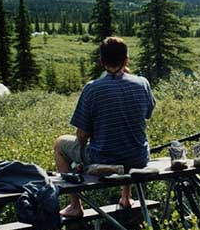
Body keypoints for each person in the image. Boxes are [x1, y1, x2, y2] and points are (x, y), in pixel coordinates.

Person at [54, 37, 156, 218]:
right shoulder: (143, 83)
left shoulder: (92, 89)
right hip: (138, 158)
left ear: (102, 62)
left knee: (60, 143)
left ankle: (74, 205)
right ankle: (126, 198)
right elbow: (147, 114)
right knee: (127, 139)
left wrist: (81, 151)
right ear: (126, 60)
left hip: (104, 159)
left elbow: (82, 135)